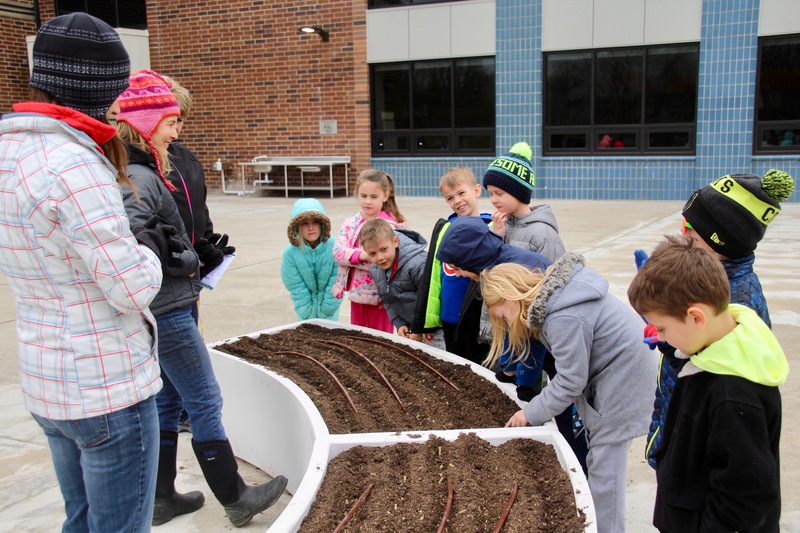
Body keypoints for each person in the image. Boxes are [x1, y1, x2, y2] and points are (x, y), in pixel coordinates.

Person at [0, 13, 172, 531]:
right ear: (98, 88)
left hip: (47, 380)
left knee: (81, 520)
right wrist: (150, 250)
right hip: (106, 386)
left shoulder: (11, 150)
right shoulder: (75, 165)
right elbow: (131, 287)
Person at [115, 70, 287, 527]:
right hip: (167, 306)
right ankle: (235, 498)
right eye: (170, 120)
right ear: (146, 122)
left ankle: (162, 496)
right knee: (205, 401)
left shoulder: (149, 167)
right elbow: (133, 236)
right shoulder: (138, 174)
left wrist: (196, 249)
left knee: (168, 400)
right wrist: (177, 256)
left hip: (169, 299)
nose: (178, 129)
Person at [482, 259, 656, 533]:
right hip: (620, 376)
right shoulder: (558, 300)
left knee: (605, 475)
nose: (505, 322)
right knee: (600, 464)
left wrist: (529, 413)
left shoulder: (561, 317)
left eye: (503, 315)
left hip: (623, 384)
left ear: (511, 296)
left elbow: (570, 380)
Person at [627, 236, 786, 532]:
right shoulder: (712, 345)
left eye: (661, 328)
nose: (658, 336)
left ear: (696, 317)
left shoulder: (733, 396)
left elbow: (744, 500)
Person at [642, 170, 794, 469]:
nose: (683, 235)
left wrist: (668, 341)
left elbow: (703, 365)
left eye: (691, 231)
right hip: (676, 418)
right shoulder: (705, 282)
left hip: (695, 440)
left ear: (719, 242)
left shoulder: (732, 302)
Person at [435, 217, 590, 474]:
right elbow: (510, 329)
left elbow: (531, 335)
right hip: (552, 345)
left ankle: (578, 465)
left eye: (458, 268)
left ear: (472, 260)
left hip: (560, 346)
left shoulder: (512, 272)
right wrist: (506, 368)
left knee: (567, 403)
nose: (459, 274)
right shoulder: (500, 263)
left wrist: (525, 382)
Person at [412, 167, 492, 362]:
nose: (457, 201)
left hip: (476, 323)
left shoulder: (490, 228)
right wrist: (427, 322)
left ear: (477, 190)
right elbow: (433, 278)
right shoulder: (445, 229)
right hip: (449, 318)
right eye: (450, 198)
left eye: (461, 193)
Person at [332, 169, 406, 333]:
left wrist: (352, 257)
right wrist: (364, 255)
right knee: (359, 340)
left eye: (374, 197)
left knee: (381, 342)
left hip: (381, 297)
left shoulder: (390, 226)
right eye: (363, 196)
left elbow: (385, 261)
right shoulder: (351, 222)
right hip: (357, 296)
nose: (368, 201)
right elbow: (337, 252)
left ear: (385, 196)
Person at [483, 141, 566, 261]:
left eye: (499, 193)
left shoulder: (543, 234)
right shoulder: (496, 227)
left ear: (518, 192)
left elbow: (556, 275)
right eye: (490, 194)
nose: (493, 200)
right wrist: (496, 238)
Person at [360, 218, 427, 340]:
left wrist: (421, 331)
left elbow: (431, 301)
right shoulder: (376, 269)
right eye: (372, 254)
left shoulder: (418, 264)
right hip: (412, 329)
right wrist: (399, 323)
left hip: (433, 330)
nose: (380, 258)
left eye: (383, 249)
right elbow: (387, 298)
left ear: (395, 242)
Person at [281, 198, 341, 321]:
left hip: (330, 309)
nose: (311, 228)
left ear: (322, 224)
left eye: (315, 222)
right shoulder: (290, 253)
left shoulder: (336, 247)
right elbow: (295, 284)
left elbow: (338, 278)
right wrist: (306, 310)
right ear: (296, 227)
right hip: (305, 312)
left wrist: (328, 308)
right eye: (305, 223)